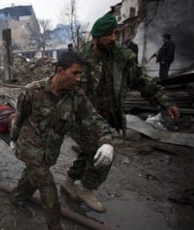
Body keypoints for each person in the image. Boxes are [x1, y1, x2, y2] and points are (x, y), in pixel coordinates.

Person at [61, 13, 180, 212]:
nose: (114, 38)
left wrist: (165, 101)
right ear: (96, 37)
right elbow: (63, 84)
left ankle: (70, 181)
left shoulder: (123, 58)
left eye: (115, 33)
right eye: (108, 34)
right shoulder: (82, 59)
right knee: (103, 151)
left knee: (91, 151)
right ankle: (86, 188)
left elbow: (142, 82)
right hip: (82, 117)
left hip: (109, 116)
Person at [10, 51, 113, 229]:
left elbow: (93, 119)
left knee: (31, 178)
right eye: (75, 73)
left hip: (49, 153)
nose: (79, 78)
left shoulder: (76, 97)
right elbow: (19, 118)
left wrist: (106, 142)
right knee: (48, 190)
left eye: (81, 74)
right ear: (59, 70)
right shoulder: (32, 91)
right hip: (30, 149)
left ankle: (17, 197)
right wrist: (13, 139)